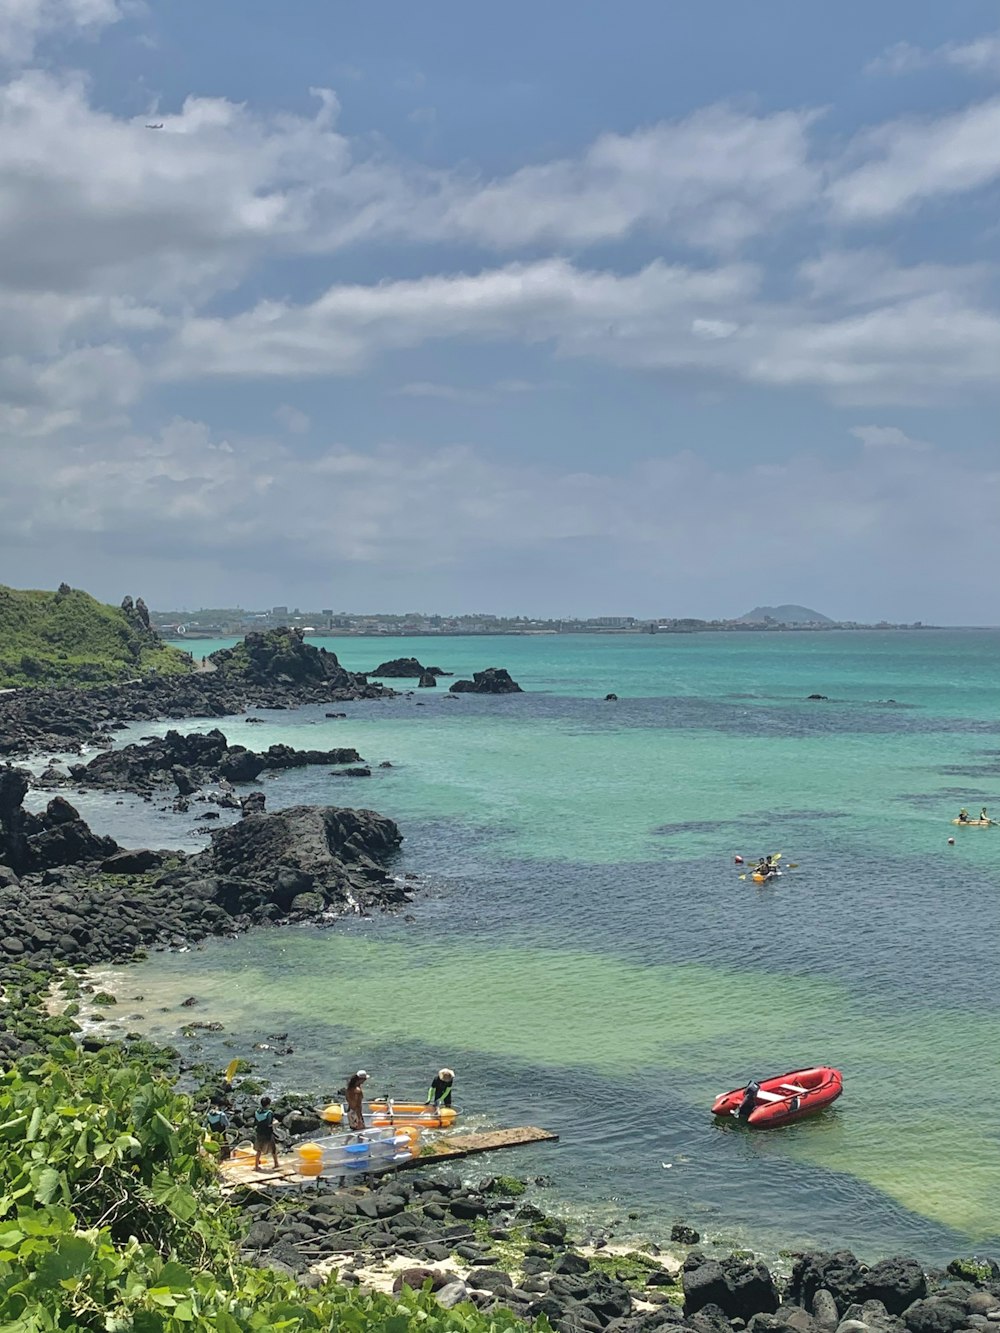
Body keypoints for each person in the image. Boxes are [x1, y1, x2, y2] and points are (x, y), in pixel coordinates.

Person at [253, 1096, 279, 1172]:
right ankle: (276, 1164)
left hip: (259, 1133)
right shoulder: (269, 1113)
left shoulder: (257, 1112)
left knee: (259, 1150)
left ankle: (256, 1166)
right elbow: (269, 1124)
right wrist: (275, 1123)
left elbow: (255, 1123)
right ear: (268, 1104)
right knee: (273, 1148)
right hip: (267, 1133)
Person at [206, 1095, 231, 1160]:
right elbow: (227, 1124)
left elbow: (205, 1125)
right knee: (224, 1143)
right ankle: (226, 1156)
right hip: (221, 1133)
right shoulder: (221, 1115)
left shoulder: (208, 1114)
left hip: (213, 1133)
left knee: (215, 1145)